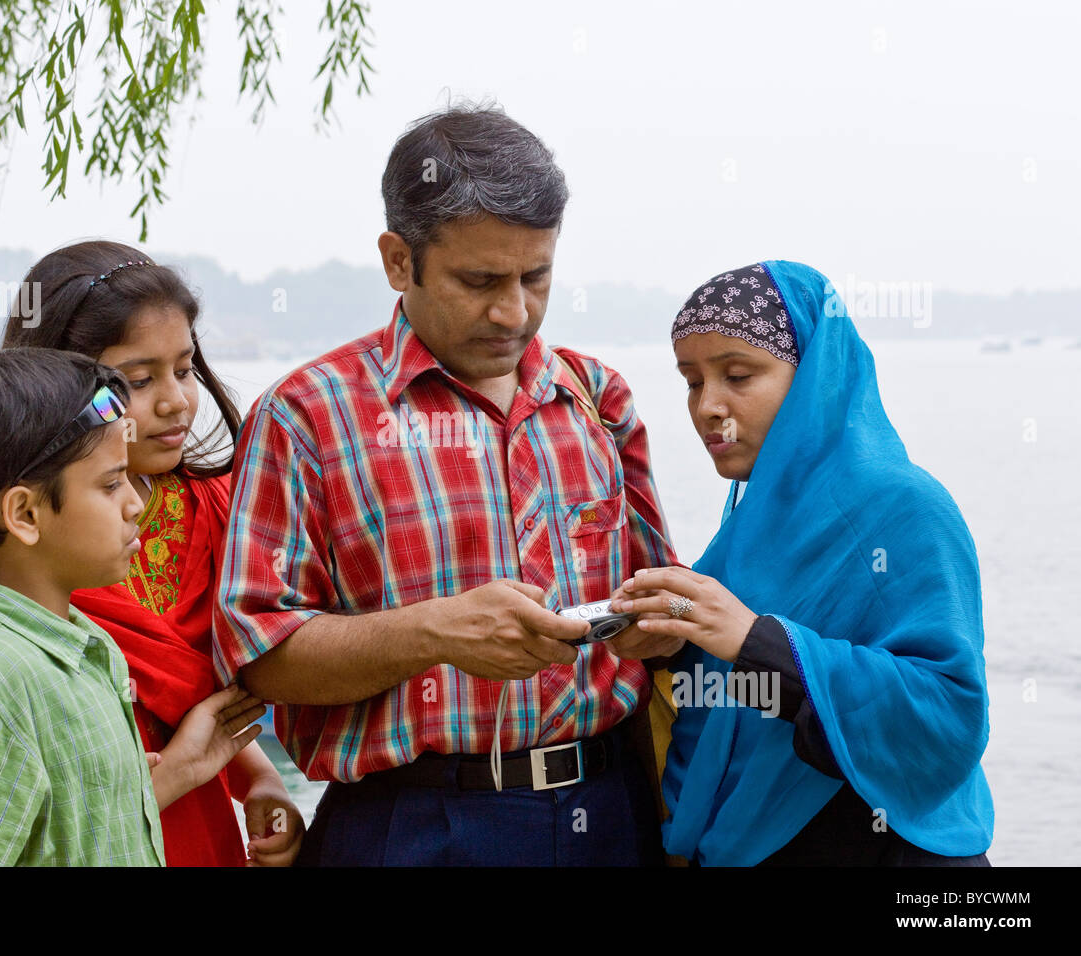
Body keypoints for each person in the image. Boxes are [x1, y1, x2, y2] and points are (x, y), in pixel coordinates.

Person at [213, 102, 682, 866]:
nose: (514, 311)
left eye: (537, 276)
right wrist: (435, 632)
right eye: (480, 279)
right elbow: (259, 657)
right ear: (399, 260)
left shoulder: (599, 396)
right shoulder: (307, 416)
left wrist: (657, 623)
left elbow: (660, 603)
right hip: (410, 826)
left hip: (613, 811)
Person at [0, 241, 304, 867]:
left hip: (195, 833)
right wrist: (152, 779)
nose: (176, 401)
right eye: (139, 381)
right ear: (60, 384)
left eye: (187, 368)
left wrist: (261, 779)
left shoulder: (211, 509)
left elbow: (184, 701)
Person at [609, 260, 994, 865]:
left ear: (816, 376)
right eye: (691, 380)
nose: (708, 405)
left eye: (738, 374)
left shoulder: (904, 509)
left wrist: (757, 640)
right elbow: (728, 682)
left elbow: (949, 718)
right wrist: (669, 645)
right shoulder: (753, 524)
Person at [0, 348, 260, 865]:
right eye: (111, 483)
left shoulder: (86, 649)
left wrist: (179, 770)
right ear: (25, 514)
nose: (136, 504)